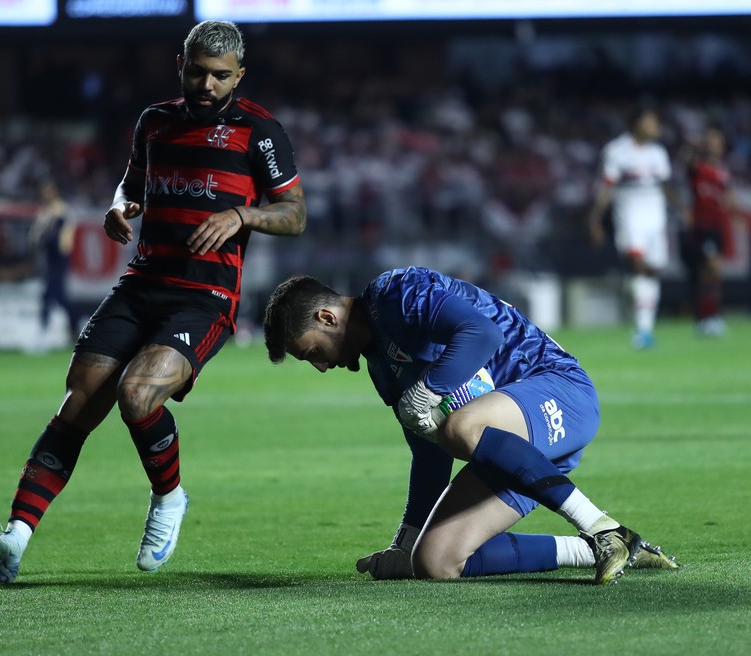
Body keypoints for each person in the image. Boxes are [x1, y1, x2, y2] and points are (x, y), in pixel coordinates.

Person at [0, 20, 307, 584]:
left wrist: (241, 214)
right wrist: (118, 206)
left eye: (221, 76)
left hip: (204, 297)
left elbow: (295, 214)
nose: (207, 84)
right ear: (181, 64)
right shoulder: (154, 121)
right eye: (198, 72)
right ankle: (16, 538)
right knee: (77, 403)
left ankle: (169, 497)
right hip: (141, 283)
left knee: (137, 393)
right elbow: (131, 185)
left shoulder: (260, 132)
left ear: (239, 76)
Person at [262, 268, 677, 584]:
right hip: (518, 449)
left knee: (460, 426)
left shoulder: (398, 293)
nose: (320, 366)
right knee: (435, 561)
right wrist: (405, 543)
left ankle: (604, 528)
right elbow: (428, 452)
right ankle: (597, 550)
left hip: (560, 393)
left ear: (327, 317)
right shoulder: (380, 367)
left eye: (312, 351)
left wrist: (429, 388)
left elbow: (482, 333)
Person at [587, 108, 676, 350]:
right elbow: (606, 187)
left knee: (651, 272)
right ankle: (642, 329)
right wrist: (595, 220)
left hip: (656, 218)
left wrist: (681, 211)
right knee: (639, 265)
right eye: (650, 122)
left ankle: (644, 326)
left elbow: (665, 185)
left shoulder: (658, 153)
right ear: (636, 124)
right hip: (629, 216)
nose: (655, 126)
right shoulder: (617, 151)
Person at [680, 126, 741, 337]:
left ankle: (710, 317)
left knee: (714, 274)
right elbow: (685, 162)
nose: (716, 145)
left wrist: (736, 215)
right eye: (712, 141)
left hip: (719, 226)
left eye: (718, 141)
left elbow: (730, 198)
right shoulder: (698, 167)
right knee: (710, 270)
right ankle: (706, 318)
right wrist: (691, 147)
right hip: (703, 225)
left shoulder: (723, 170)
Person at [30, 181, 85, 342]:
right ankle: (79, 320)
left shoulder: (60, 211)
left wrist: (44, 239)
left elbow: (59, 238)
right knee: (59, 297)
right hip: (48, 259)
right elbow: (35, 236)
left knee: (48, 295)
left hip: (58, 258)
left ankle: (43, 331)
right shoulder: (45, 211)